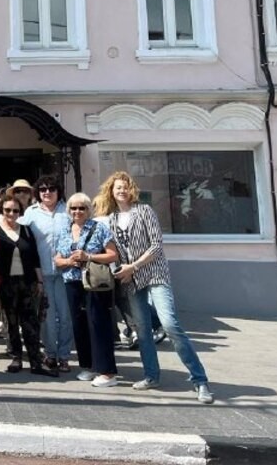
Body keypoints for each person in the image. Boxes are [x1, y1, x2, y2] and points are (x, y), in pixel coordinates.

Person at [95, 171, 215, 404]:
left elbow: (156, 245)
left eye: (125, 187)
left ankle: (199, 379)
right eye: (117, 187)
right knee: (142, 330)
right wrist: (120, 269)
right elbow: (114, 252)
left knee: (170, 324)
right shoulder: (110, 219)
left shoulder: (145, 211)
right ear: (111, 191)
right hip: (131, 280)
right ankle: (151, 375)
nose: (121, 191)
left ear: (132, 190)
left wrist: (133, 266)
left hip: (154, 274)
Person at [54, 193, 119, 388]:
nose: (77, 211)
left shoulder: (99, 228)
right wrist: (68, 261)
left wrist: (88, 256)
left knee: (98, 324)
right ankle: (88, 366)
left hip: (94, 283)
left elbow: (112, 255)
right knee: (79, 324)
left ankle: (107, 372)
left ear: (88, 210)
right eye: (73, 208)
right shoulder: (66, 229)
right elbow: (57, 258)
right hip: (72, 282)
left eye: (82, 208)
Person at [0, 194, 57, 376]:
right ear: (1, 211)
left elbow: (35, 257)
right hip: (6, 283)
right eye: (7, 210)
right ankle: (16, 358)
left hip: (27, 282)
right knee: (11, 322)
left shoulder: (27, 231)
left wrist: (39, 282)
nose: (11, 213)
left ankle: (35, 361)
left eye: (15, 210)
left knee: (31, 323)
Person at [19, 174, 74, 373]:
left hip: (65, 271)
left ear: (58, 191)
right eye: (42, 189)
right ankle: (51, 354)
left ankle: (65, 355)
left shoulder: (68, 211)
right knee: (47, 318)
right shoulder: (31, 214)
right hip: (41, 273)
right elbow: (15, 233)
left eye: (51, 188)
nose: (47, 192)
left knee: (66, 316)